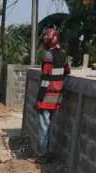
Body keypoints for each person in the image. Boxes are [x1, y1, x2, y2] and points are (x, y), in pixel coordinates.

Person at [35, 27, 70, 164]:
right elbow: (67, 71)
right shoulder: (64, 55)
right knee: (49, 124)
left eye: (45, 39)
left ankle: (42, 154)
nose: (44, 41)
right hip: (57, 95)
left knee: (43, 125)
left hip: (47, 95)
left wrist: (39, 99)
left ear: (50, 40)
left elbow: (44, 80)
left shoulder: (47, 56)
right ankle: (48, 152)